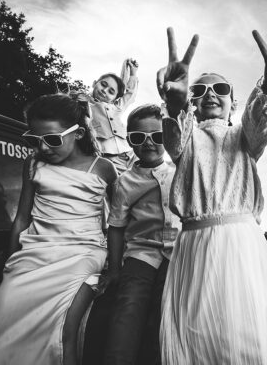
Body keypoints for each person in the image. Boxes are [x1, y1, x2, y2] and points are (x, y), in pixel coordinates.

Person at [157, 22, 267, 365]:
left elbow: (260, 119)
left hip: (240, 245)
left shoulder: (244, 137)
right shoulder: (186, 141)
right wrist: (176, 104)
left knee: (249, 333)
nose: (210, 93)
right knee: (199, 333)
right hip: (195, 245)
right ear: (192, 102)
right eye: (199, 89)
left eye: (219, 87)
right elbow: (173, 135)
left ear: (233, 102)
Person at [0, 94, 117, 365]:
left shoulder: (104, 169)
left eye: (52, 139)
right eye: (34, 139)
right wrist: (9, 265)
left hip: (82, 254)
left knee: (64, 330)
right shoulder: (33, 163)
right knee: (0, 325)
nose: (43, 147)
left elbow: (117, 220)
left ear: (79, 134)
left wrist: (114, 264)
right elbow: (21, 219)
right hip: (32, 255)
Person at [103, 104, 180, 365]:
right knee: (128, 308)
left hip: (177, 254)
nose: (148, 143)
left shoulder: (180, 172)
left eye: (157, 136)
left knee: (166, 310)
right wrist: (114, 270)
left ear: (167, 137)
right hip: (141, 254)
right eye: (138, 138)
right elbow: (116, 226)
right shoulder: (124, 182)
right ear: (129, 141)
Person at [88, 59, 140, 173]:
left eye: (111, 91)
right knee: (120, 184)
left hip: (130, 153)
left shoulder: (116, 107)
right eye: (103, 84)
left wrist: (133, 73)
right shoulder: (86, 105)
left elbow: (130, 94)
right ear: (94, 83)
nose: (105, 91)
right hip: (109, 156)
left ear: (115, 98)